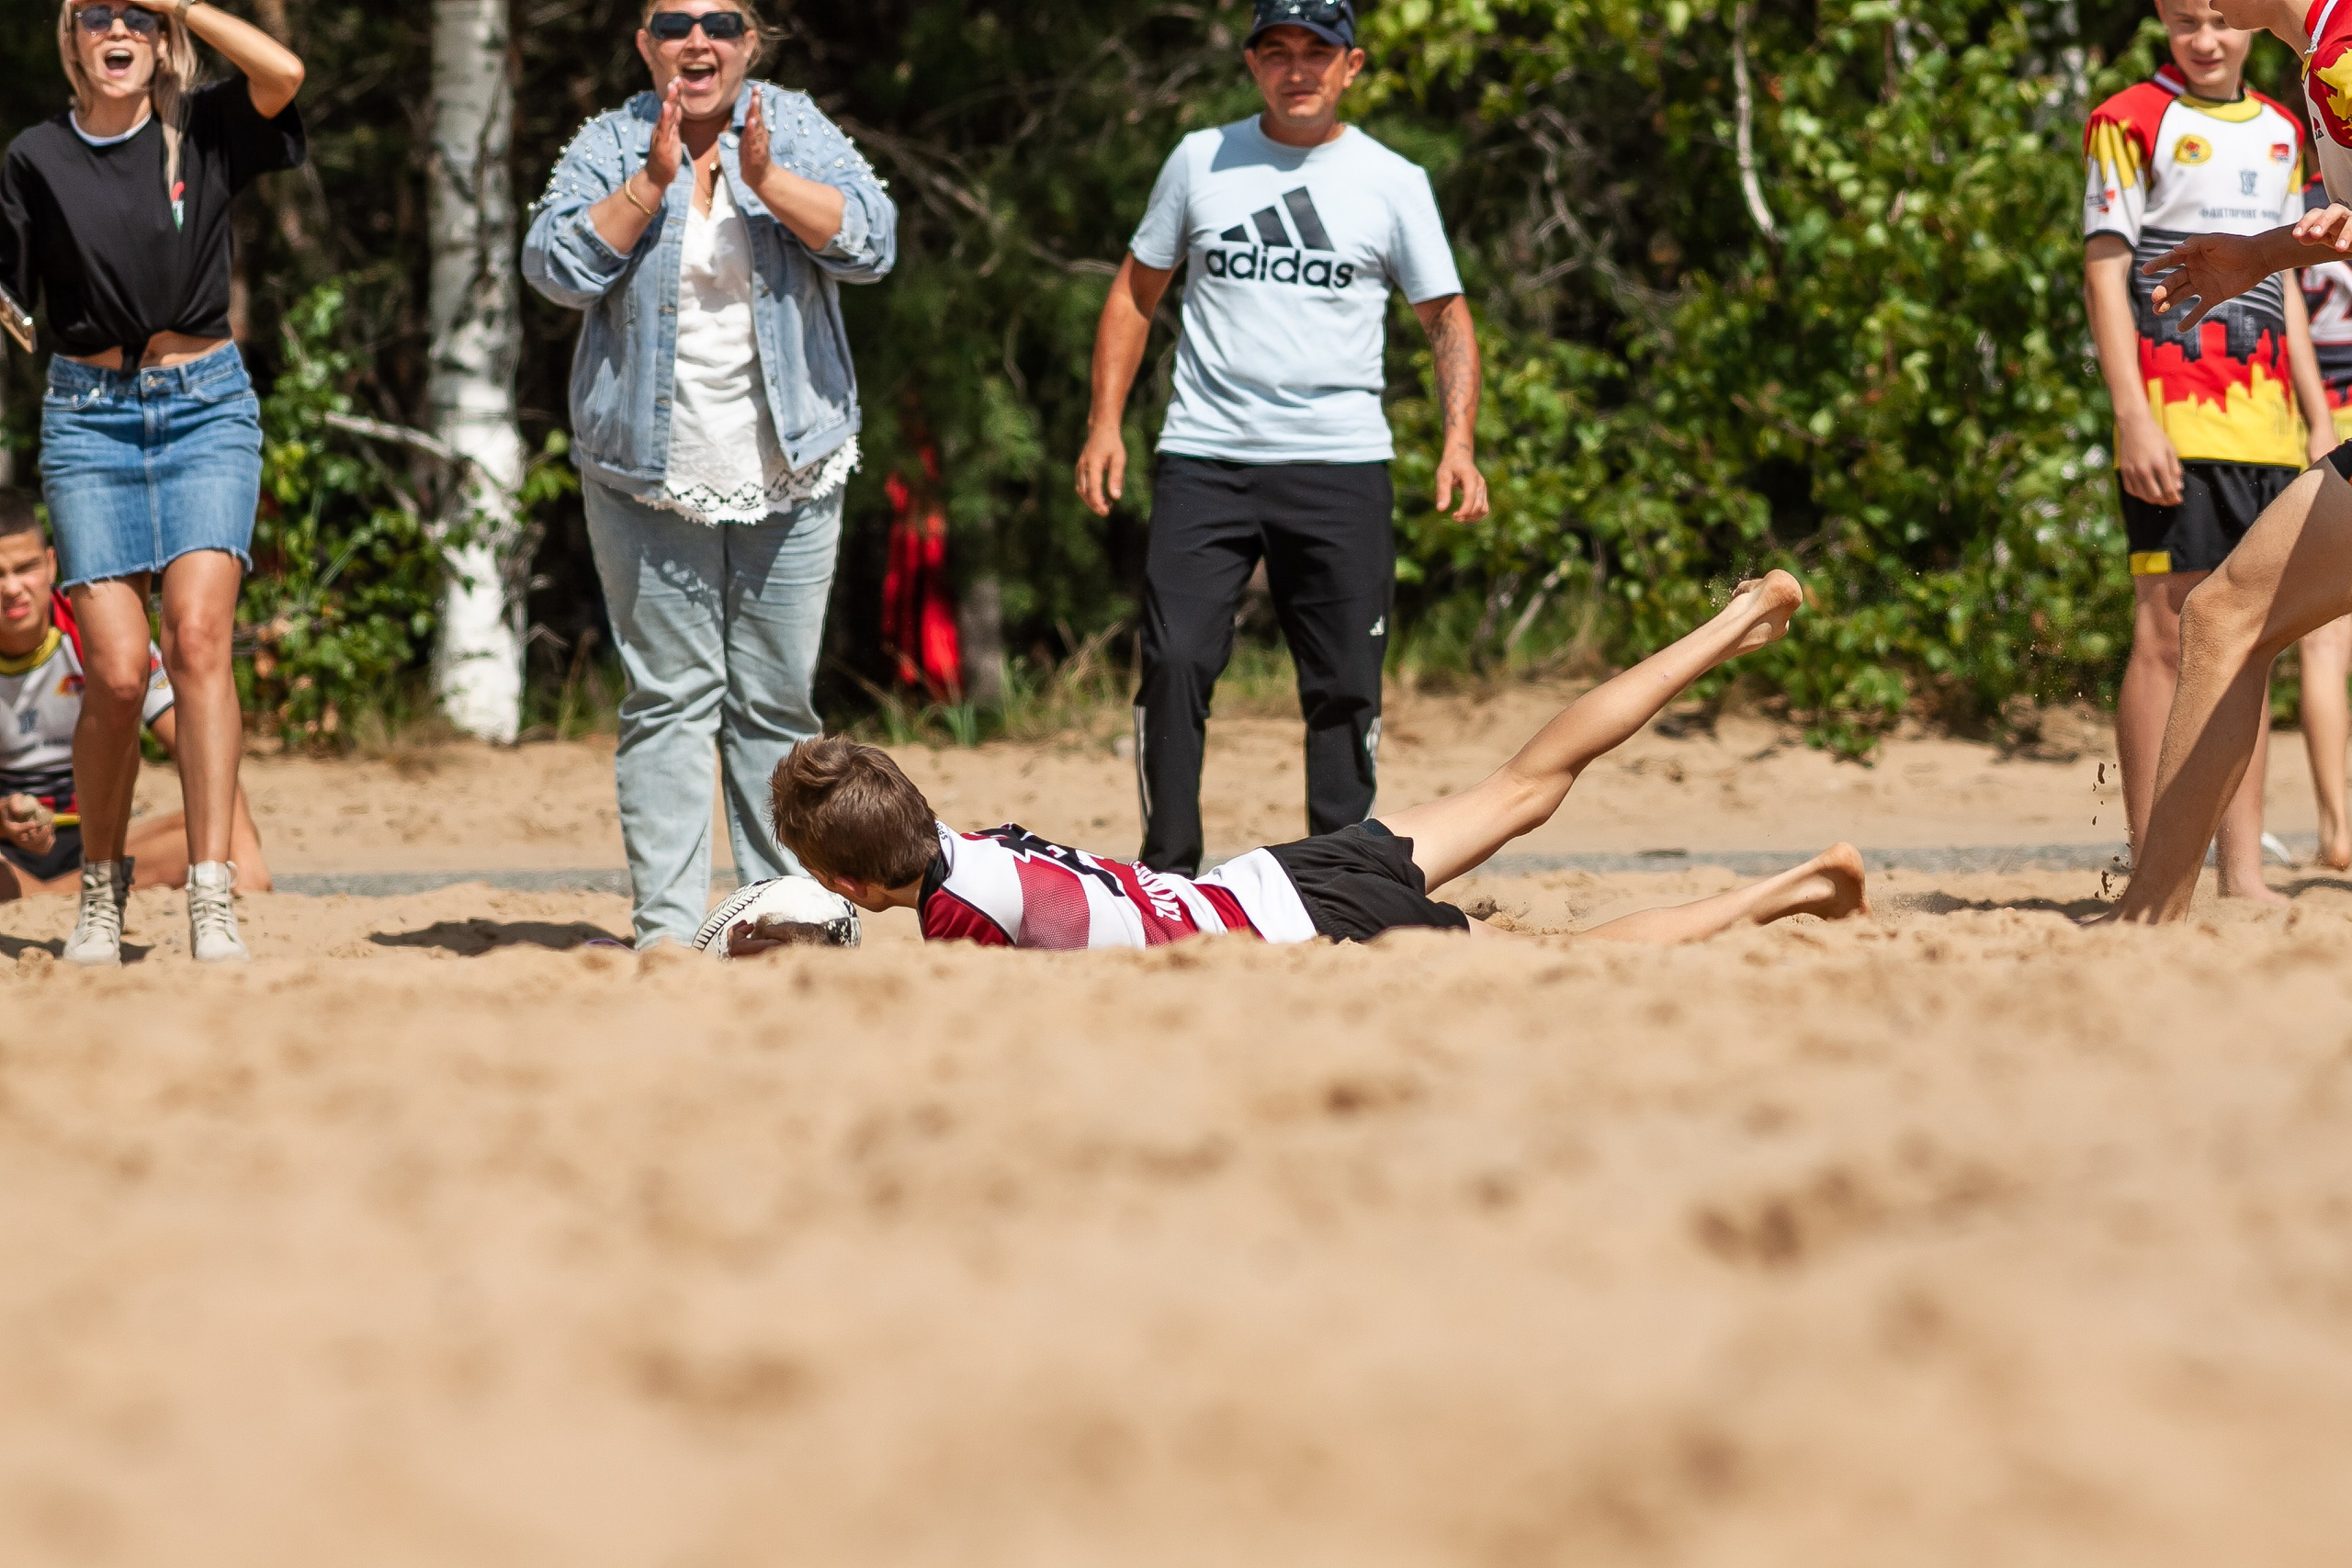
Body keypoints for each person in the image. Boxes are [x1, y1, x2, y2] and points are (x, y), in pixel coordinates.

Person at [746, 572, 1868, 953]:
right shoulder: (964, 839)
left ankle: (1796, 887)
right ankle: (1740, 618)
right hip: (1276, 875)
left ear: (850, 884)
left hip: (1312, 935)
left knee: (1565, 957)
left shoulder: (960, 923)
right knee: (1525, 783)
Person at [1075, 0, 1490, 878]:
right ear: (1253, 64)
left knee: (1343, 683)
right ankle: (1169, 872)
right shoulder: (1201, 159)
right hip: (1206, 455)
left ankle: (1334, 875)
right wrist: (1103, 424)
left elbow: (1445, 317)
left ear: (1352, 67)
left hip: (1340, 462)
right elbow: (1134, 295)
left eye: (1317, 52)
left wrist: (1459, 443)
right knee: (1177, 658)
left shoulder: (1392, 179)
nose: (1297, 69)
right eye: (1278, 52)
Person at [523, 0, 897, 949]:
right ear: (644, 43)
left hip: (790, 459)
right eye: (674, 21)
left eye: (721, 21)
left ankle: (780, 914)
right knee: (670, 700)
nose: (699, 40)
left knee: (776, 701)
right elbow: (554, 270)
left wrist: (767, 180)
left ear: (751, 41)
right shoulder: (609, 143)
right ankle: (665, 931)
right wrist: (649, 184)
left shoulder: (797, 125)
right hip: (646, 469)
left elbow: (873, 244)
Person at [0, 0, 304, 964]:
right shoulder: (34, 157)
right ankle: (100, 891)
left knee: (201, 637)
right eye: (99, 15)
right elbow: (12, 298)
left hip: (207, 406)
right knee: (122, 673)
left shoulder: (205, 127)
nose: (117, 30)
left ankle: (211, 895)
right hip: (89, 417)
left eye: (140, 14)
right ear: (72, 36)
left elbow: (285, 75)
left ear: (161, 34)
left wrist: (188, 6)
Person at [2081, 0, 2334, 901]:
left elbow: (2289, 281)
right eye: (2188, 19)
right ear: (2162, 18)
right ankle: (2158, 867)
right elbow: (2105, 268)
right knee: (2169, 632)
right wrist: (2130, 414)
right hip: (2175, 413)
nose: (2207, 38)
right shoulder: (2126, 119)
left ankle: (2241, 874)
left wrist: (2315, 414)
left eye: (2223, 20)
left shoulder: (2285, 121)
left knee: (2249, 635)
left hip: (2266, 420)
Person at [0, 490, 269, 902]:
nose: (12, 589)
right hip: (10, 852)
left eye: (25, 568)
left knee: (221, 834)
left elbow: (197, 743)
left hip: (99, 841)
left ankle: (41, 896)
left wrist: (246, 852)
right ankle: (54, 896)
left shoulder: (95, 631)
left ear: (52, 564)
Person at [2296, 178, 2352, 868]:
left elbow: (2290, 322)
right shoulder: (2311, 198)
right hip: (2328, 412)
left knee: (2323, 640)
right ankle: (2338, 828)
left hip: (2318, 413)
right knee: (2325, 640)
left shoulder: (2306, 194)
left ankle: (2336, 827)